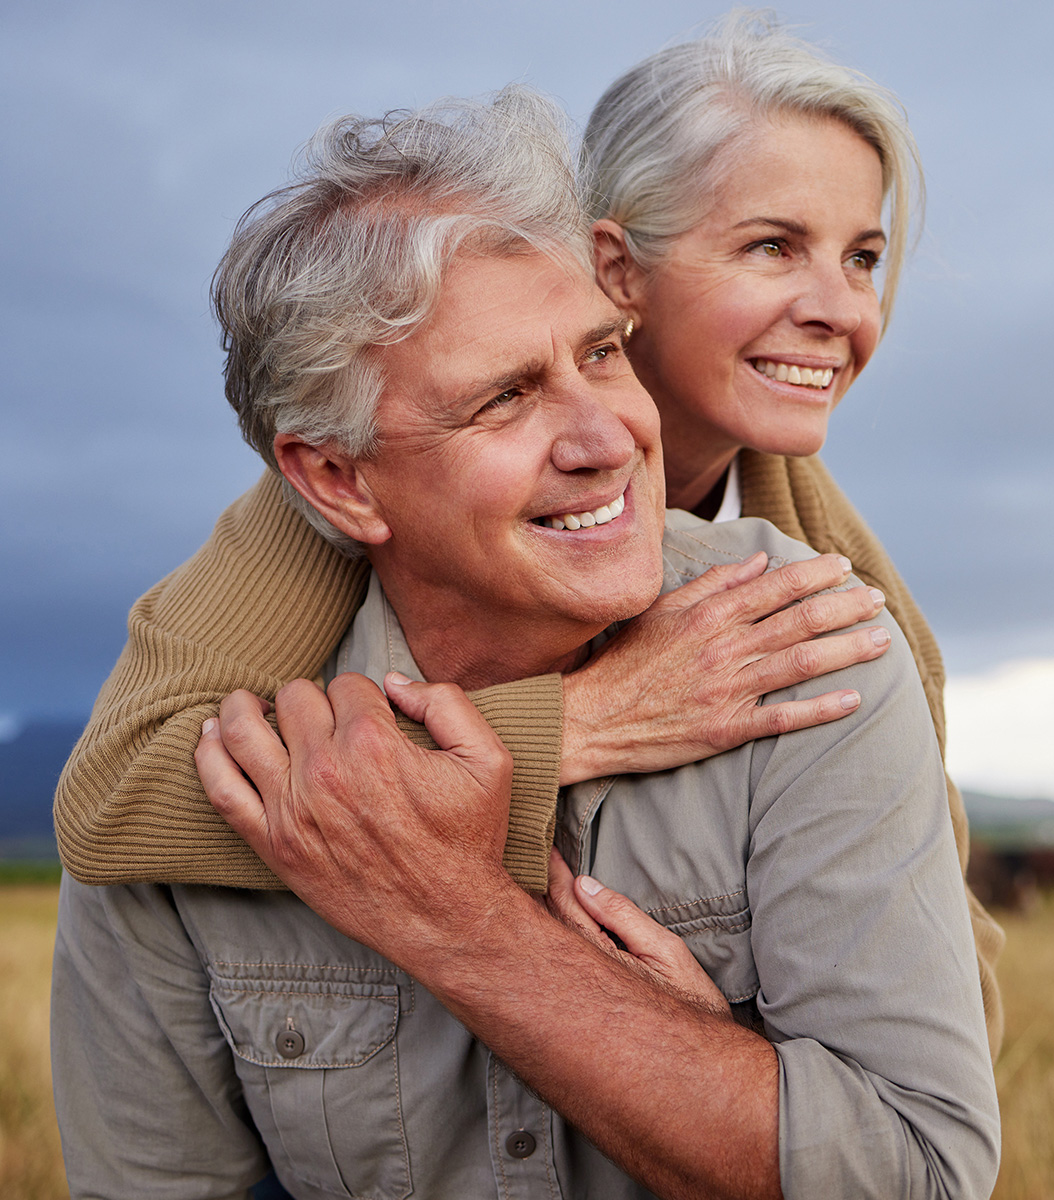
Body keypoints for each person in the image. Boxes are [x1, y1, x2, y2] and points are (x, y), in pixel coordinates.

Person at [52, 86, 999, 1198]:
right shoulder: (284, 564)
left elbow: (923, 1130)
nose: (835, 307)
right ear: (622, 263)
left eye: (865, 255)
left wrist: (729, 1079)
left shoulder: (811, 608)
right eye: (770, 246)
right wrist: (566, 734)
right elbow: (112, 801)